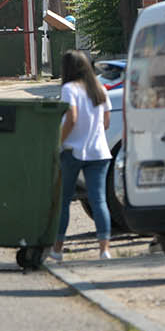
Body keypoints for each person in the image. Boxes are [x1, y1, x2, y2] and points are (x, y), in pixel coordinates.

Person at [53, 49, 114, 260]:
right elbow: (106, 123)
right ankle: (104, 249)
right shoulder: (99, 89)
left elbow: (72, 118)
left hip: (73, 151)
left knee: (64, 200)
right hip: (99, 152)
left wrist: (59, 142)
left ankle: (58, 249)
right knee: (99, 200)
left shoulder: (70, 88)